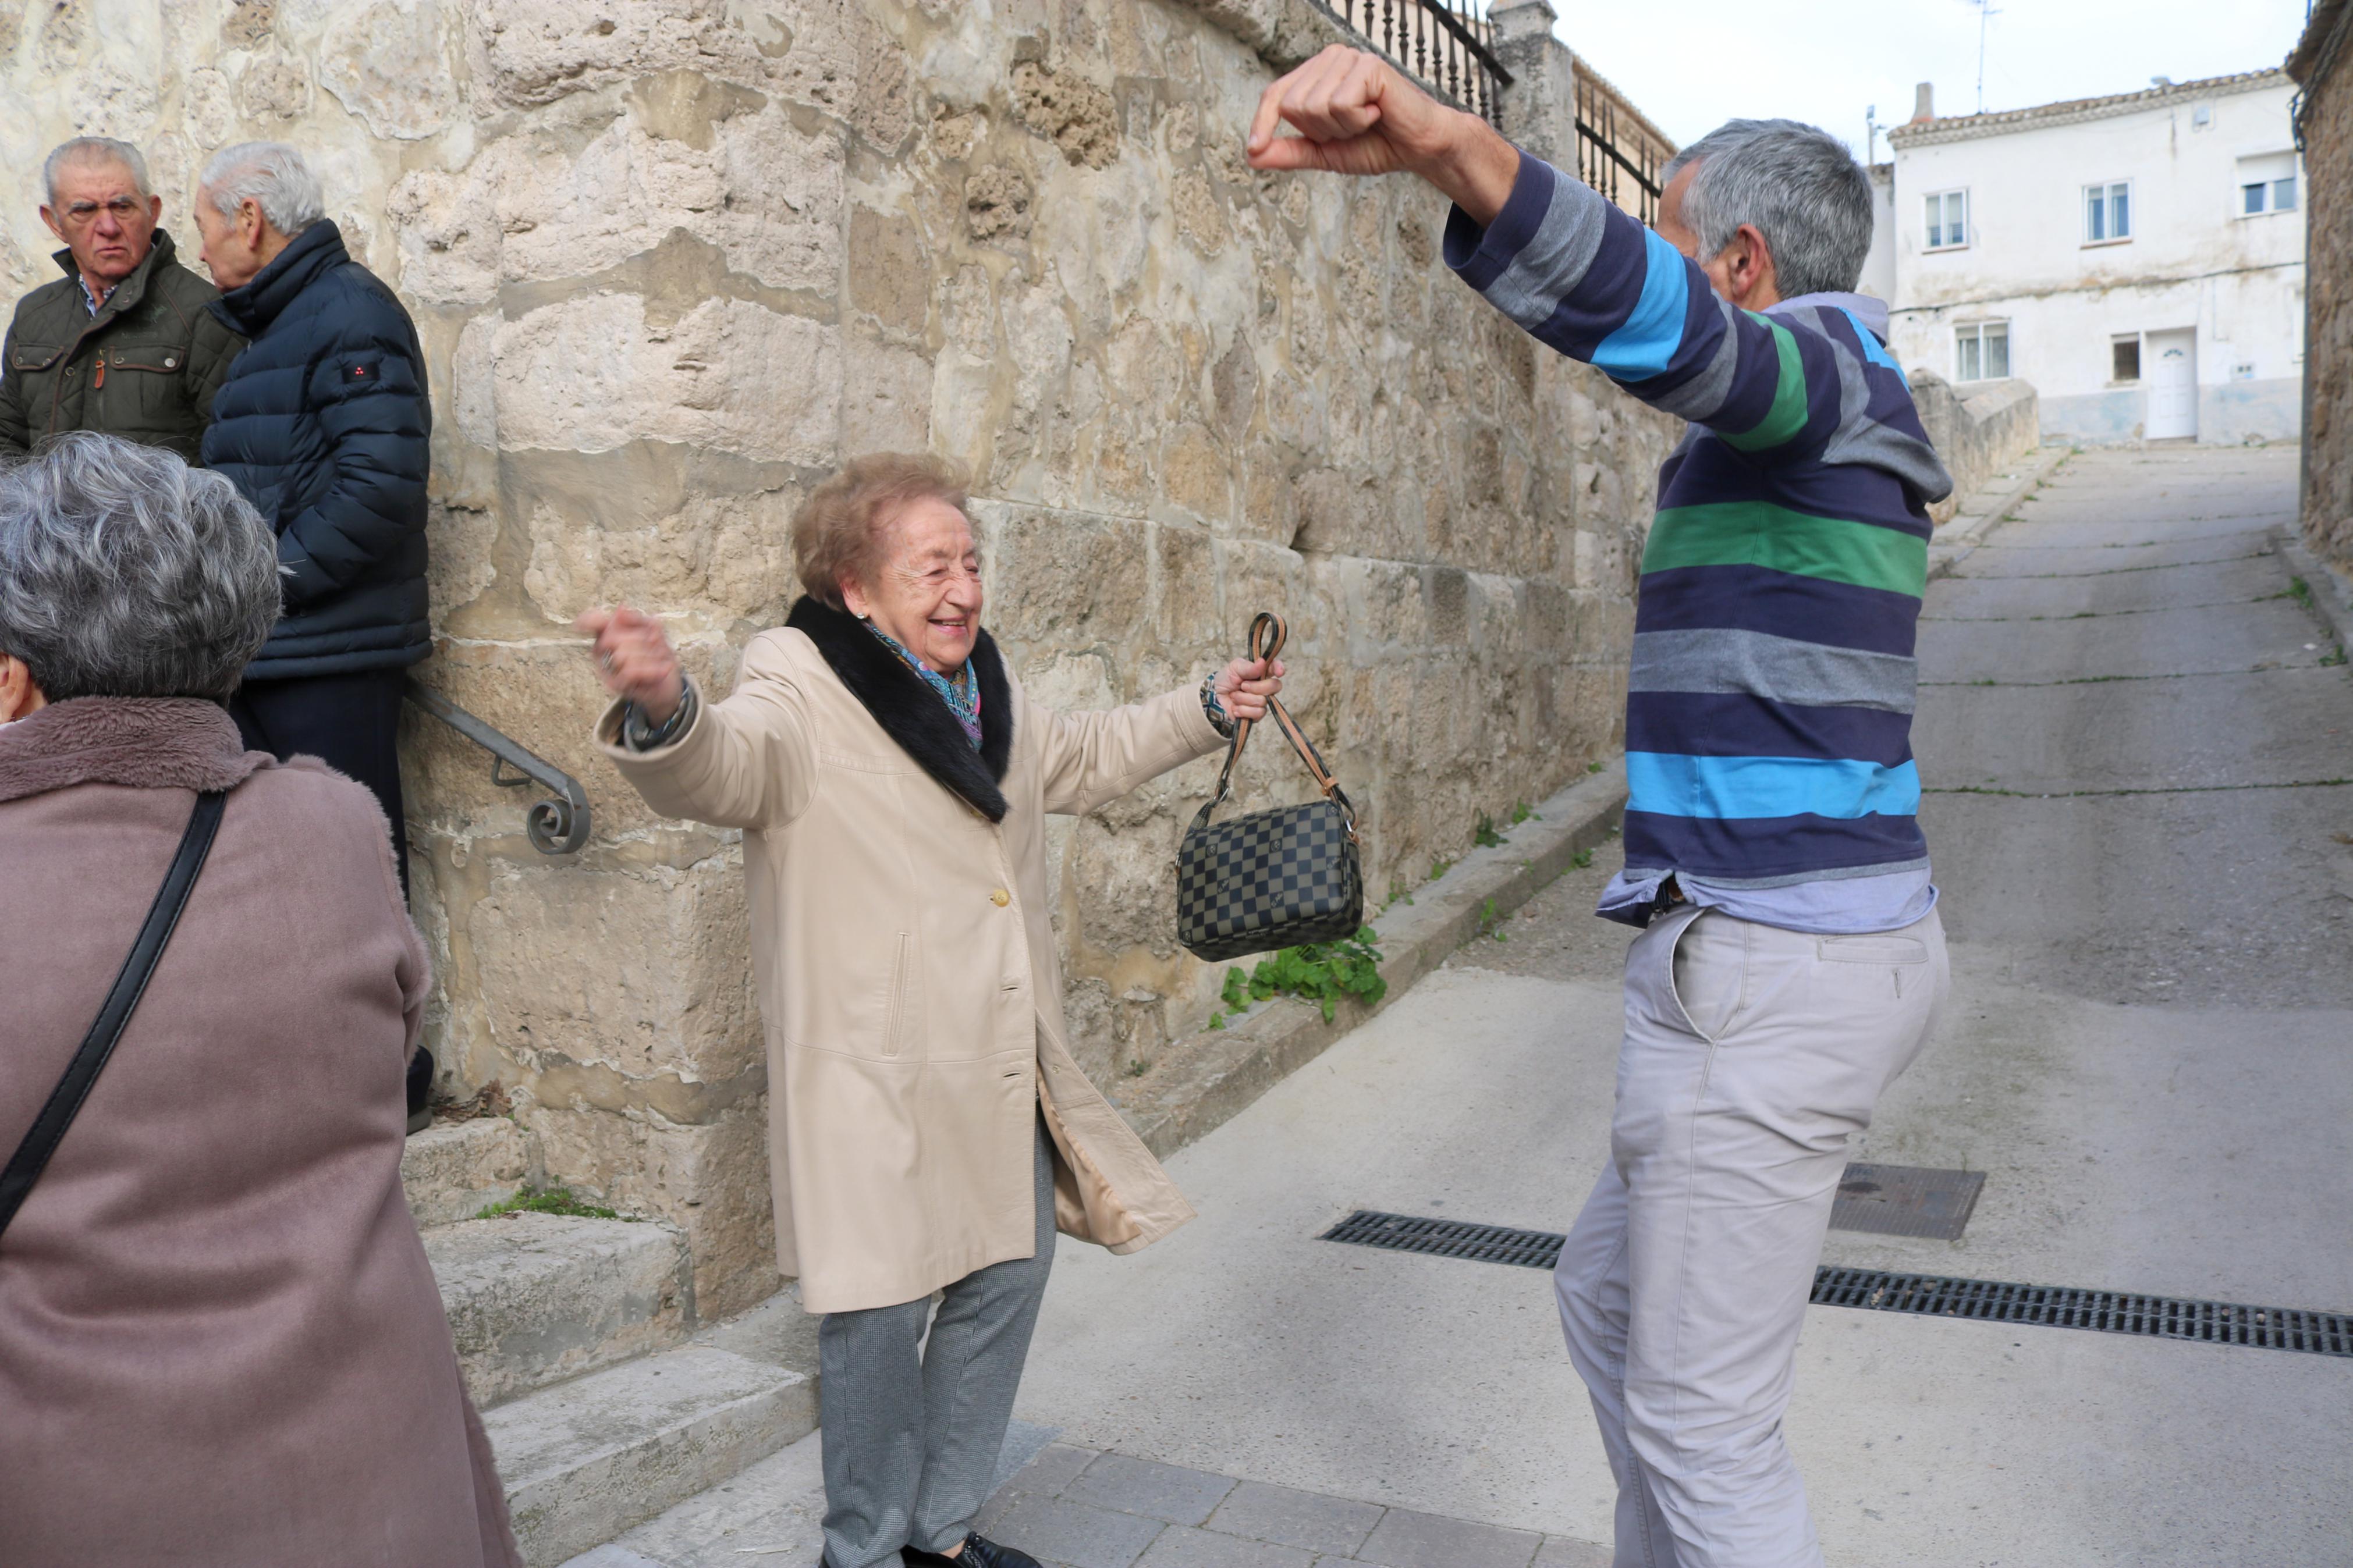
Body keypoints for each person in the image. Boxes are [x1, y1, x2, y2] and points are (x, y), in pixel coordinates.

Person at [1248, 49, 1953, 1568]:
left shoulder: (1818, 372)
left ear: (1747, 263)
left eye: (1691, 240)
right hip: (1779, 955)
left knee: (1703, 1421)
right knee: (1610, 1302)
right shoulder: (1828, 416)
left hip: (1765, 968)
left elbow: (1688, 336)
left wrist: (1445, 143)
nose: (1688, 275)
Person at [581, 453, 1286, 1568]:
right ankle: (858, 1553)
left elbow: (1083, 756)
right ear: (855, 588)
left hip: (996, 1053)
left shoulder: (978, 686)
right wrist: (668, 708)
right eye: (931, 568)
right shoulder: (796, 678)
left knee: (1006, 1278)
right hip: (874, 1067)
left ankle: (938, 1536)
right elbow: (730, 768)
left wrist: (1206, 707)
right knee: (871, 1320)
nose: (962, 589)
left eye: (969, 562)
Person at [0, 433, 519, 1567]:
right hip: (382, 1467)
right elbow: (383, 1066)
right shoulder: (334, 828)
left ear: (15, 677)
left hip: (95, 1495)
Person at [194, 140, 436, 1122]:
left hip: (324, 657)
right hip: (278, 650)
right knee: (284, 882)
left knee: (349, 880)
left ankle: (388, 1080)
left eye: (206, 227)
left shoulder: (348, 311)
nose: (202, 250)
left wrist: (265, 581)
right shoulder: (284, 319)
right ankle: (318, 1081)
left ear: (250, 218)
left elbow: (378, 491)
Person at [0, 136, 241, 461]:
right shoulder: (34, 314)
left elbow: (235, 460)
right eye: (84, 211)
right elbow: (7, 442)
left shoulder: (202, 312)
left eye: (122, 206)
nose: (108, 227)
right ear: (54, 223)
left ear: (152, 211)